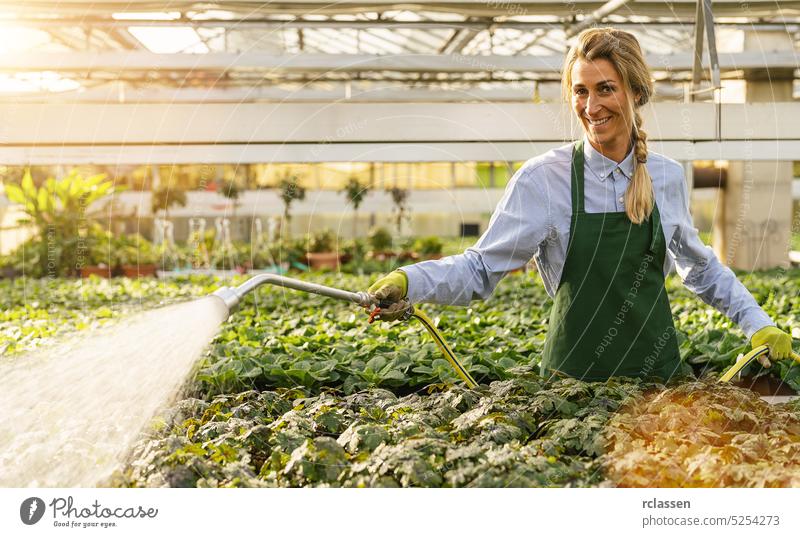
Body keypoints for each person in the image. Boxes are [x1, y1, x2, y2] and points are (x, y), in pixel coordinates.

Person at [366, 27, 793, 382]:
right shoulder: (543, 179)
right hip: (570, 389)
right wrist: (410, 280)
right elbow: (480, 269)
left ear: (636, 92)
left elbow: (698, 268)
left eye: (605, 88)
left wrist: (758, 323)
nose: (590, 107)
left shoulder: (667, 177)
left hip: (657, 386)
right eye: (580, 91)